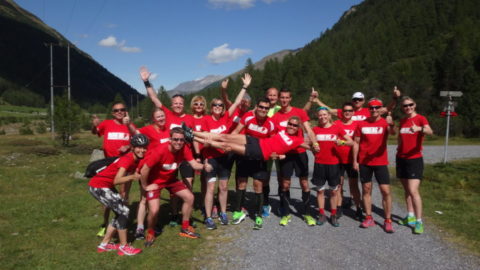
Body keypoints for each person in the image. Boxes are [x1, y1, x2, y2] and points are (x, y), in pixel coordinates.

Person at [140, 66, 195, 226]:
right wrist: (146, 82)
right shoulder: (167, 114)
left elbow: (195, 138)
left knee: (186, 186)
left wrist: (196, 156)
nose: (178, 105)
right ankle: (173, 214)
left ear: (183, 105)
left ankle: (183, 215)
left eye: (180, 103)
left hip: (183, 157)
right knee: (168, 183)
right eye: (175, 103)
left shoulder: (189, 118)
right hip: (166, 157)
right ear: (171, 105)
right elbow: (154, 98)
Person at [140, 128, 210, 246]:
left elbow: (193, 164)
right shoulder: (160, 151)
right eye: (176, 139)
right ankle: (150, 232)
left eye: (181, 140)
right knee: (154, 210)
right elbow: (144, 169)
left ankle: (185, 227)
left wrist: (203, 167)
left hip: (170, 180)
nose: (179, 142)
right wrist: (145, 186)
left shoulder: (184, 149)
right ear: (170, 140)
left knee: (190, 197)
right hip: (155, 182)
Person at [201, 74, 251, 229]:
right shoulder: (206, 120)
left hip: (225, 159)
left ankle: (223, 213)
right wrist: (206, 159)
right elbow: (204, 141)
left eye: (220, 106)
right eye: (215, 105)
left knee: (223, 187)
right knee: (210, 188)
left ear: (223, 108)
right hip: (211, 158)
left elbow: (236, 102)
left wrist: (244, 87)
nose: (218, 107)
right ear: (211, 107)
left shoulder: (226, 117)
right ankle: (209, 217)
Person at [88, 134, 149, 256]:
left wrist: (124, 193)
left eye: (144, 147)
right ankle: (124, 246)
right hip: (98, 186)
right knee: (124, 212)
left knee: (121, 212)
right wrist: (132, 177)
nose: (142, 150)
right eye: (139, 147)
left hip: (105, 186)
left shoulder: (137, 158)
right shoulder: (127, 159)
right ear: (132, 147)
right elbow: (117, 180)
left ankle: (104, 244)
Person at [270, 88, 318, 227]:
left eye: (286, 97)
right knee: (285, 184)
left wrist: (314, 143)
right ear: (279, 99)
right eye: (282, 98)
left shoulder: (300, 112)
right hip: (285, 155)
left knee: (304, 183)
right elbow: (272, 136)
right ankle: (286, 213)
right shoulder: (276, 116)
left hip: (300, 153)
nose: (284, 100)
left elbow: (309, 129)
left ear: (290, 98)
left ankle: (307, 213)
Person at [230, 98, 276, 229]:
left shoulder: (271, 124)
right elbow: (236, 132)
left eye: (266, 108)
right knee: (241, 182)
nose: (263, 110)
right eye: (261, 107)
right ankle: (238, 212)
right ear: (256, 106)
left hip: (260, 158)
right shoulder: (248, 117)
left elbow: (273, 142)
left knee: (258, 185)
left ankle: (258, 215)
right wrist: (229, 143)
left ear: (268, 110)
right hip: (245, 155)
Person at [91, 102, 135, 237]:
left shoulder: (130, 126)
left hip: (125, 165)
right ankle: (105, 224)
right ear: (112, 113)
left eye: (122, 110)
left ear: (126, 111)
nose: (119, 112)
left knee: (123, 194)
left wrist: (128, 147)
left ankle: (121, 221)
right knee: (107, 197)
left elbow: (138, 144)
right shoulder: (106, 124)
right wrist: (94, 124)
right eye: (116, 110)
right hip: (109, 167)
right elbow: (95, 132)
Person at [352, 98, 396, 233]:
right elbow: (356, 143)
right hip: (365, 162)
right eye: (372, 108)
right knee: (366, 189)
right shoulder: (361, 124)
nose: (374, 110)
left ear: (381, 109)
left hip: (380, 162)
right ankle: (369, 217)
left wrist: (392, 124)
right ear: (368, 109)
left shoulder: (384, 122)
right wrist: (355, 160)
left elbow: (394, 133)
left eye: (377, 107)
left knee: (385, 191)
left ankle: (388, 220)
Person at [130, 108, 170, 239]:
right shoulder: (148, 129)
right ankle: (140, 227)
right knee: (143, 199)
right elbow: (136, 133)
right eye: (158, 117)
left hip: (161, 171)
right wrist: (128, 123)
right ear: (154, 119)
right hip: (148, 168)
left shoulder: (168, 130)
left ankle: (153, 223)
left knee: (155, 199)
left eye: (162, 116)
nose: (161, 119)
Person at [310, 107, 354, 227]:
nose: (322, 117)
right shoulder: (315, 130)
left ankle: (333, 215)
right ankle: (322, 214)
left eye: (325, 115)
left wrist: (342, 142)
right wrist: (314, 149)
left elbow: (351, 142)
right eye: (320, 115)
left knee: (334, 192)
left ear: (329, 116)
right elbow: (308, 144)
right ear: (317, 117)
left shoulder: (337, 128)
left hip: (334, 164)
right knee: (320, 191)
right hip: (319, 164)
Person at [396, 96, 433, 234]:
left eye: (410, 105)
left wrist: (419, 128)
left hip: (414, 159)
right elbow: (400, 136)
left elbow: (430, 131)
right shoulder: (403, 120)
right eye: (405, 106)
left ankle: (419, 222)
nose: (408, 107)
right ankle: (410, 216)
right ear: (402, 108)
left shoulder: (420, 119)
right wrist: (399, 147)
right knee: (406, 190)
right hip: (401, 158)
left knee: (413, 190)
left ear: (415, 105)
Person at [333, 102, 362, 220]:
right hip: (338, 159)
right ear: (342, 112)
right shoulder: (336, 124)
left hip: (351, 160)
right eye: (345, 110)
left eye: (350, 110)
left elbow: (359, 143)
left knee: (353, 185)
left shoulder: (357, 125)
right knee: (339, 184)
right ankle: (339, 208)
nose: (348, 112)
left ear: (353, 112)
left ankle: (358, 208)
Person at [309, 87, 401, 121]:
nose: (357, 101)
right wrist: (317, 101)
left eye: (360, 99)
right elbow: (329, 110)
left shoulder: (371, 110)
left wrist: (395, 98)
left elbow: (388, 108)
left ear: (363, 101)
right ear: (352, 100)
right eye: (355, 99)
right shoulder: (346, 112)